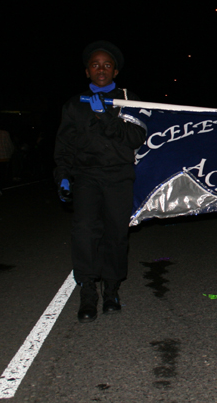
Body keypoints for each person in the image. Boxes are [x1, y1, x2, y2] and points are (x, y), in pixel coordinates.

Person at [54, 41, 147, 323]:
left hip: (119, 176)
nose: (101, 69)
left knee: (116, 235)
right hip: (86, 176)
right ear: (87, 72)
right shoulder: (73, 105)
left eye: (107, 65)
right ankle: (88, 294)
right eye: (95, 65)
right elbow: (64, 146)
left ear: (115, 71)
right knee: (84, 232)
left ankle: (111, 291)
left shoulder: (130, 100)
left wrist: (106, 116)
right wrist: (63, 177)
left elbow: (135, 138)